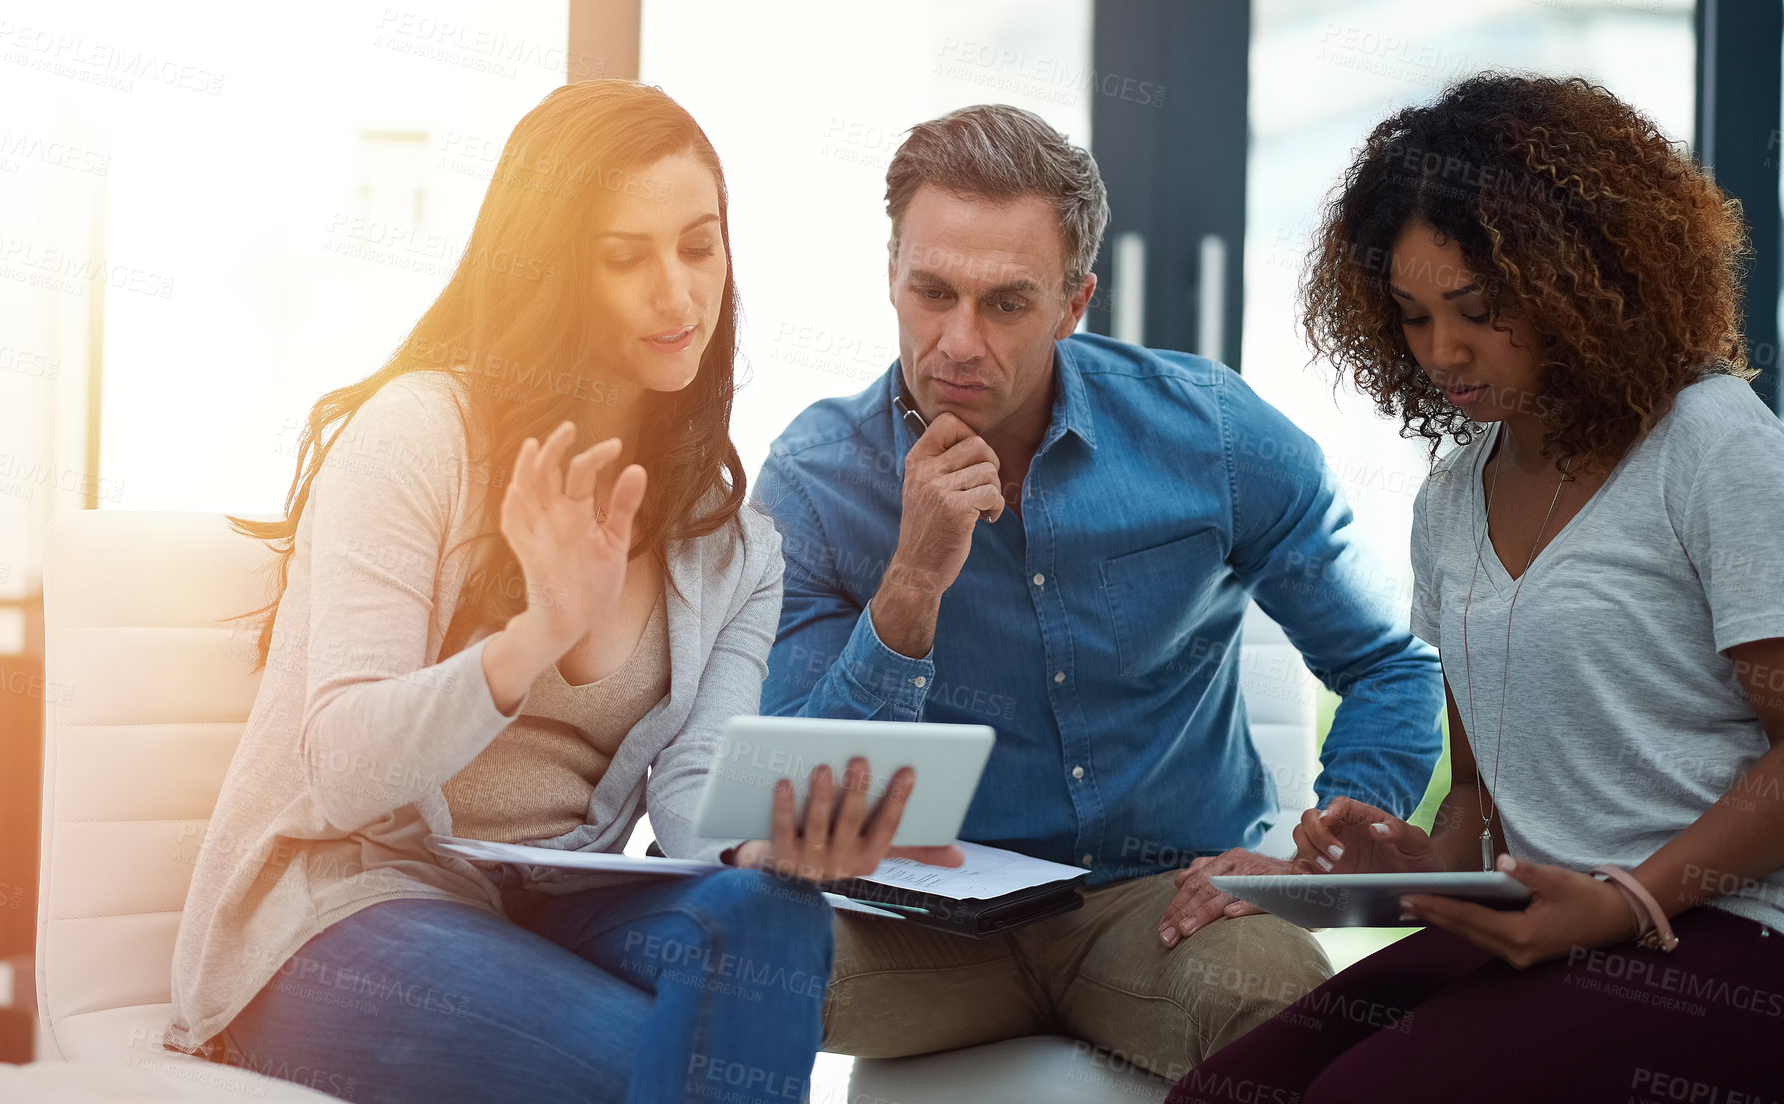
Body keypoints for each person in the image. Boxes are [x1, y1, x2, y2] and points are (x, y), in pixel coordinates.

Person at [163, 81, 951, 1104]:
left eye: (698, 246)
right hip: (338, 913)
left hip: (542, 909)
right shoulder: (419, 437)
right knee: (669, 1065)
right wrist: (534, 636)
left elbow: (690, 789)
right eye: (625, 258)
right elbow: (347, 768)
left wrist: (766, 840)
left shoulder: (733, 545)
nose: (677, 295)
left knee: (770, 912)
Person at [752, 103, 1445, 1080]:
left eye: (1006, 304)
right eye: (932, 291)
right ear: (893, 280)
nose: (957, 341)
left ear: (1075, 304)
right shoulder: (819, 479)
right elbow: (798, 788)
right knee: (735, 963)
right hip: (923, 921)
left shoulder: (1212, 437)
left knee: (1276, 986)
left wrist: (1316, 860)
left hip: (1160, 909)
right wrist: (911, 582)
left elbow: (1384, 663)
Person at [1170, 74, 1784, 1102]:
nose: (1443, 352)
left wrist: (1622, 900)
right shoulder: (1452, 497)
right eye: (1412, 317)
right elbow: (1481, 807)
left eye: (1480, 311)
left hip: (1732, 933)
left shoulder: (1712, 448)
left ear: (1586, 279)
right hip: (1536, 923)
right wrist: (1396, 858)